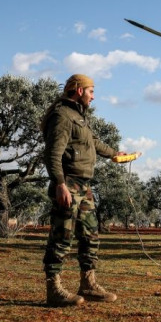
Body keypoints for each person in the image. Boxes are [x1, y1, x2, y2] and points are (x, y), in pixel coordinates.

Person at [41, 73, 125, 306]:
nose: (94, 96)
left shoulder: (78, 116)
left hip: (84, 186)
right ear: (79, 91)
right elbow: (52, 154)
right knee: (62, 237)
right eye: (91, 91)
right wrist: (60, 184)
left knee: (90, 236)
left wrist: (114, 154)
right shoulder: (62, 116)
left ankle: (88, 285)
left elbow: (94, 143)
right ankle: (54, 289)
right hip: (68, 184)